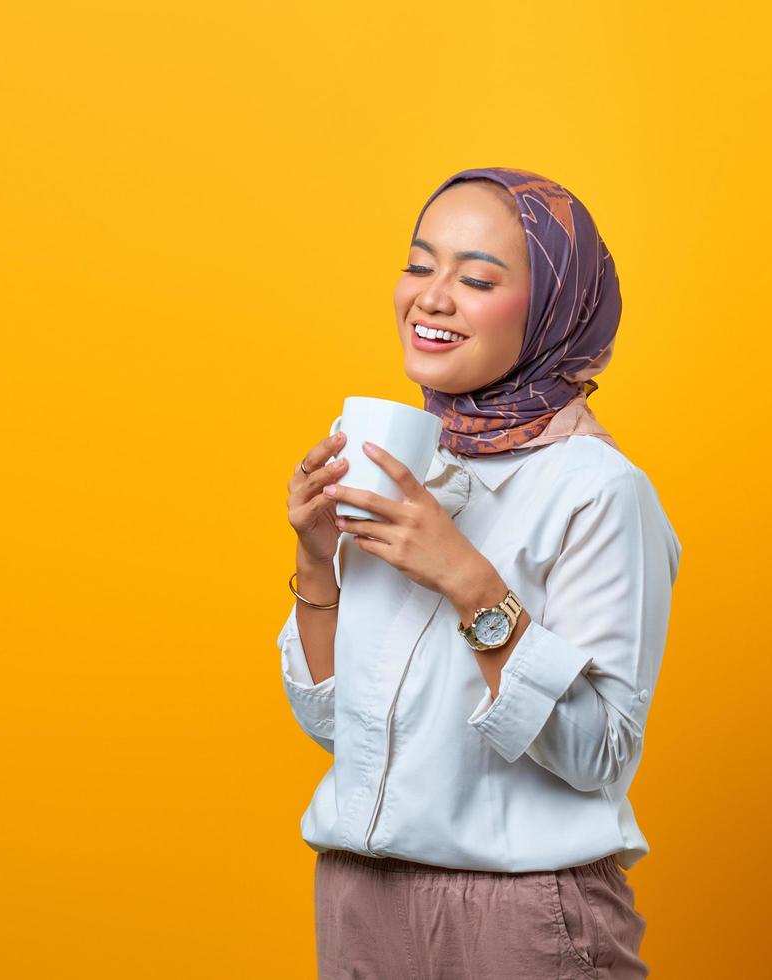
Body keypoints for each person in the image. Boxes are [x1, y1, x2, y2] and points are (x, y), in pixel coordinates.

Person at [279, 167, 681, 979]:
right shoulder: (402, 462)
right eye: (419, 265)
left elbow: (601, 750)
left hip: (520, 913)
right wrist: (315, 560)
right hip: (358, 899)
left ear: (549, 313)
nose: (431, 297)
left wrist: (468, 580)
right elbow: (339, 730)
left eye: (477, 278)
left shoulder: (598, 490)